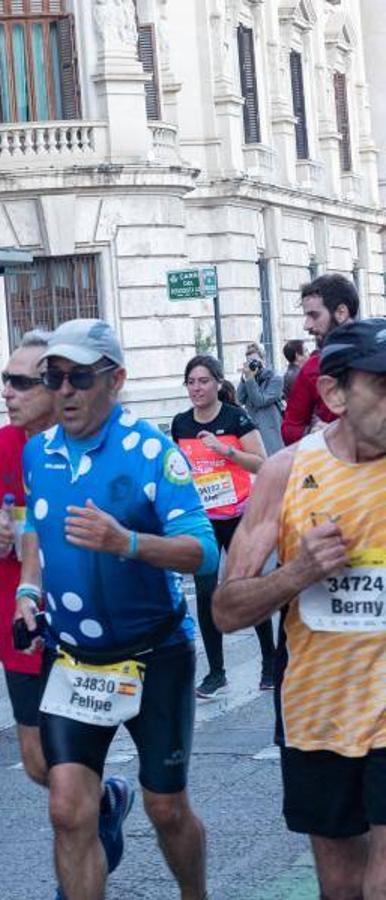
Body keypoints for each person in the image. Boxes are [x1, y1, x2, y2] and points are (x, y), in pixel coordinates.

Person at [16, 319, 218, 900]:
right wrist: (30, 590)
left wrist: (126, 542)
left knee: (166, 807)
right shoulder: (40, 452)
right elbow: (35, 525)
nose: (65, 391)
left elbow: (204, 553)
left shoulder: (153, 451)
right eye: (54, 378)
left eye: (79, 377)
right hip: (75, 657)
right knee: (67, 809)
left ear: (116, 379)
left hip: (154, 653)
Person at [216, 319, 386, 900]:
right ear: (335, 394)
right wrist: (299, 572)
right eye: (383, 386)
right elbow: (226, 610)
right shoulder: (287, 472)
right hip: (319, 710)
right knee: (341, 886)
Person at [0, 330, 57, 784]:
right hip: (21, 619)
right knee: (38, 762)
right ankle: (103, 802)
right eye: (5, 380)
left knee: (74, 767)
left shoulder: (91, 443)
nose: (5, 392)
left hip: (90, 619)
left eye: (21, 383)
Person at [172, 355, 275, 698]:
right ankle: (216, 672)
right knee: (205, 594)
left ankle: (270, 663)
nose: (197, 388)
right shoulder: (181, 424)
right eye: (191, 382)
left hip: (238, 515)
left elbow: (263, 464)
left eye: (203, 381)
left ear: (218, 383)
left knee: (248, 586)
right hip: (202, 519)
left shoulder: (236, 417)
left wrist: (224, 451)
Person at [282, 274, 359, 445]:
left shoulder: (378, 355)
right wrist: (313, 432)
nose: (307, 326)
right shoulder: (311, 368)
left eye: (314, 315)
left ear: (341, 312)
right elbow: (289, 428)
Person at [237, 342, 285, 456]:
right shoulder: (249, 378)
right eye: (249, 362)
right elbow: (239, 398)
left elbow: (260, 401)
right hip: (254, 433)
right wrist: (244, 378)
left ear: (263, 360)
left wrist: (249, 379)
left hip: (270, 434)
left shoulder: (275, 379)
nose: (253, 365)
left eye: (255, 361)